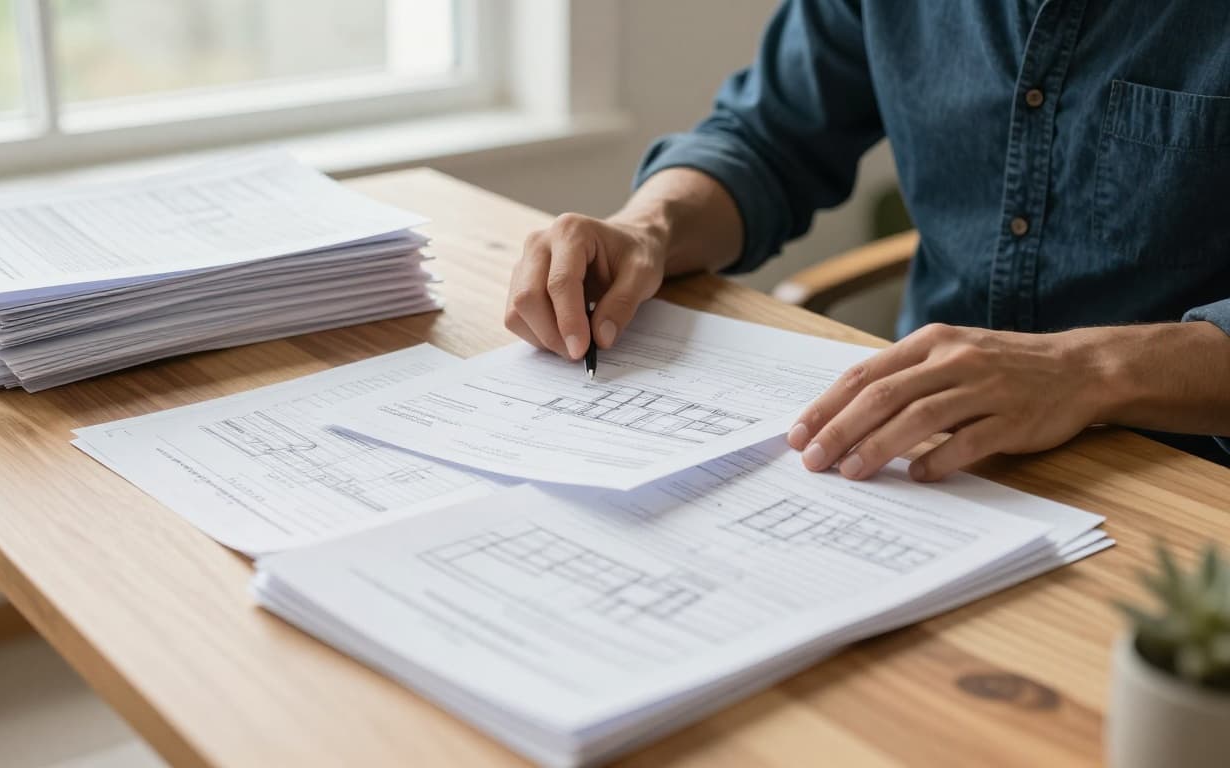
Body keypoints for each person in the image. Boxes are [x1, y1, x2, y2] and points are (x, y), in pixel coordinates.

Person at [504, 0, 1230, 481]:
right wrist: (648, 227)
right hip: (922, 455)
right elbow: (768, 139)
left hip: (1179, 476)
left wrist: (1087, 370)